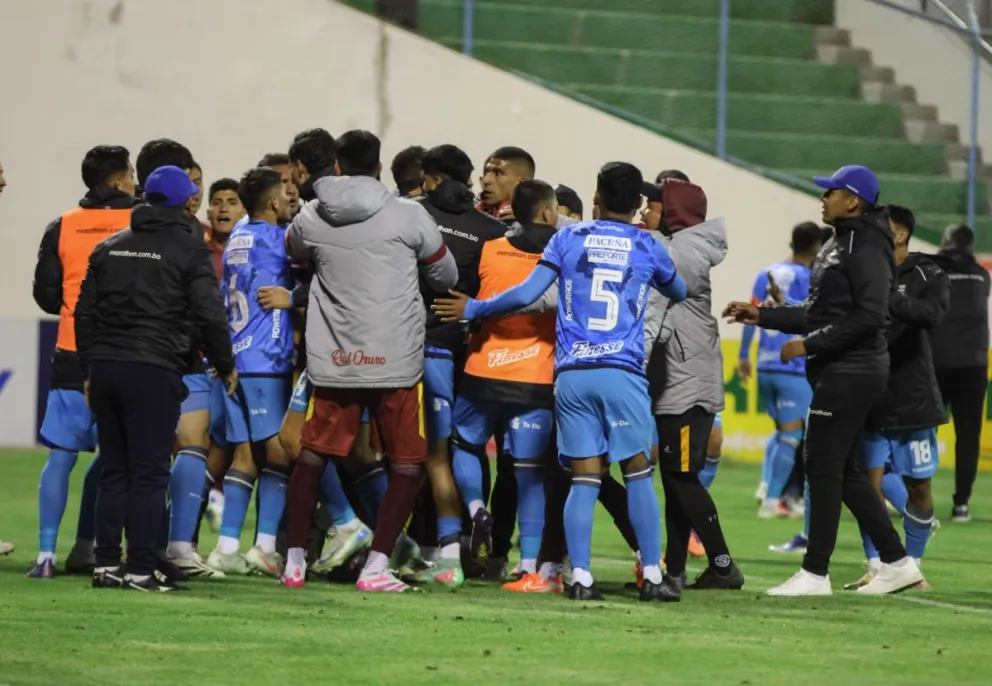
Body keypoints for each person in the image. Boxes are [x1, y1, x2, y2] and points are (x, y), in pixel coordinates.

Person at [435, 161, 688, 602]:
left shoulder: (569, 238)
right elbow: (680, 289)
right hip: (621, 371)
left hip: (572, 375)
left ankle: (581, 577)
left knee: (584, 479)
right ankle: (652, 574)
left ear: (598, 196)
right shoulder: (648, 245)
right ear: (638, 204)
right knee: (638, 474)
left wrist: (475, 309)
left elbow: (527, 293)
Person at [724, 164, 924, 596]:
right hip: (841, 368)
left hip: (853, 369)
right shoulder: (839, 242)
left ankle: (815, 572)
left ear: (853, 200)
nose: (823, 196)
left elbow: (872, 315)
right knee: (844, 470)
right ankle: (897, 562)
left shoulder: (868, 243)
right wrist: (764, 316)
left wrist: (811, 344)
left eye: (831, 191)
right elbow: (819, 311)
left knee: (822, 464)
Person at [280, 129, 458, 591]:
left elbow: (293, 250)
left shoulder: (312, 216)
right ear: (380, 167)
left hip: (335, 357)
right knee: (406, 462)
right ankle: (377, 566)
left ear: (337, 166)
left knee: (314, 455)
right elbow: (446, 273)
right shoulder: (408, 214)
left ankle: (294, 562)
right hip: (395, 356)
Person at [76, 165, 236, 592]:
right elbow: (208, 312)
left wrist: (91, 368)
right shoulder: (189, 250)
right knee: (149, 473)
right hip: (154, 367)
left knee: (115, 469)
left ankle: (107, 564)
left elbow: (85, 313)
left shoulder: (109, 247)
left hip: (107, 368)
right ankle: (142, 569)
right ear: (186, 201)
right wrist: (224, 361)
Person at [443, 180, 558, 591]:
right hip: (535, 376)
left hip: (483, 369)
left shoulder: (490, 247)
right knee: (529, 474)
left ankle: (475, 507)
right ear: (547, 211)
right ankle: (527, 564)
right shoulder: (563, 250)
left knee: (464, 444)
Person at [29, 145, 138, 579]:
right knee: (122, 459)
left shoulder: (63, 225)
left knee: (60, 457)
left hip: (73, 352)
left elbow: (45, 294)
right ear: (115, 180)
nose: (134, 181)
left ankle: (45, 556)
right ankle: (96, 548)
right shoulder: (140, 222)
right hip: (126, 352)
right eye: (130, 174)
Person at [643, 175, 743, 599]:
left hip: (684, 382)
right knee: (675, 477)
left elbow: (654, 307)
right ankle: (677, 568)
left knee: (682, 477)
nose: (643, 212)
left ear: (670, 213)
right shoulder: (684, 247)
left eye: (651, 205)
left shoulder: (679, 251)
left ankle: (722, 564)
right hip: (684, 380)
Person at [412, 144, 506, 584]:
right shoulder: (490, 229)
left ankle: (446, 549)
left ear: (430, 177)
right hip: (467, 351)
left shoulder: (411, 213)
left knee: (428, 454)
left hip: (416, 347)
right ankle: (474, 510)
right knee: (462, 446)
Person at [845, 205, 948, 590]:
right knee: (867, 485)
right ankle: (880, 566)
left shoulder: (929, 272)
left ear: (900, 234)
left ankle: (913, 567)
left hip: (912, 397)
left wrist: (886, 294)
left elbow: (931, 314)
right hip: (868, 392)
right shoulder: (862, 268)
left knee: (918, 486)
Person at [204, 167, 295, 578]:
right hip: (266, 359)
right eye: (286, 193)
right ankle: (265, 546)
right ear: (274, 201)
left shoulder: (238, 237)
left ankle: (225, 548)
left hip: (236, 358)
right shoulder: (280, 241)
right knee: (281, 454)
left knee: (246, 455)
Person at [738, 222, 822, 517]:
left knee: (780, 431)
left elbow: (753, 313)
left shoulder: (767, 273)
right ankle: (773, 501)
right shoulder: (809, 276)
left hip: (765, 363)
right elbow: (809, 313)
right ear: (816, 247)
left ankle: (765, 486)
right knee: (792, 435)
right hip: (793, 365)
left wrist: (743, 355)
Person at [930, 224, 990, 523]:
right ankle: (961, 505)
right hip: (974, 364)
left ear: (946, 242)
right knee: (968, 437)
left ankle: (915, 498)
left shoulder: (931, 269)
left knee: (920, 428)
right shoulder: (982, 275)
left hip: (936, 362)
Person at [257, 153, 301, 217]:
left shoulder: (311, 217)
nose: (292, 191)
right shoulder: (247, 226)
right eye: (284, 182)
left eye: (295, 182)